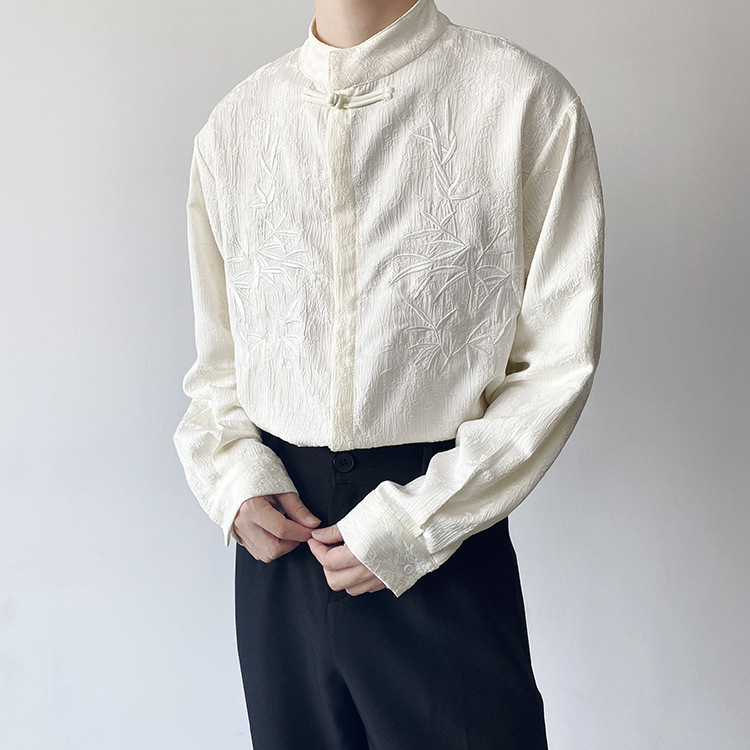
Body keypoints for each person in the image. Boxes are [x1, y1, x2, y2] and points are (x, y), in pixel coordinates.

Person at [173, 0, 604, 747]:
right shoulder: (236, 126)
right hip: (281, 547)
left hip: (442, 534)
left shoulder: (522, 103)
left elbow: (556, 364)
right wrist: (233, 476)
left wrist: (420, 521)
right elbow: (220, 362)